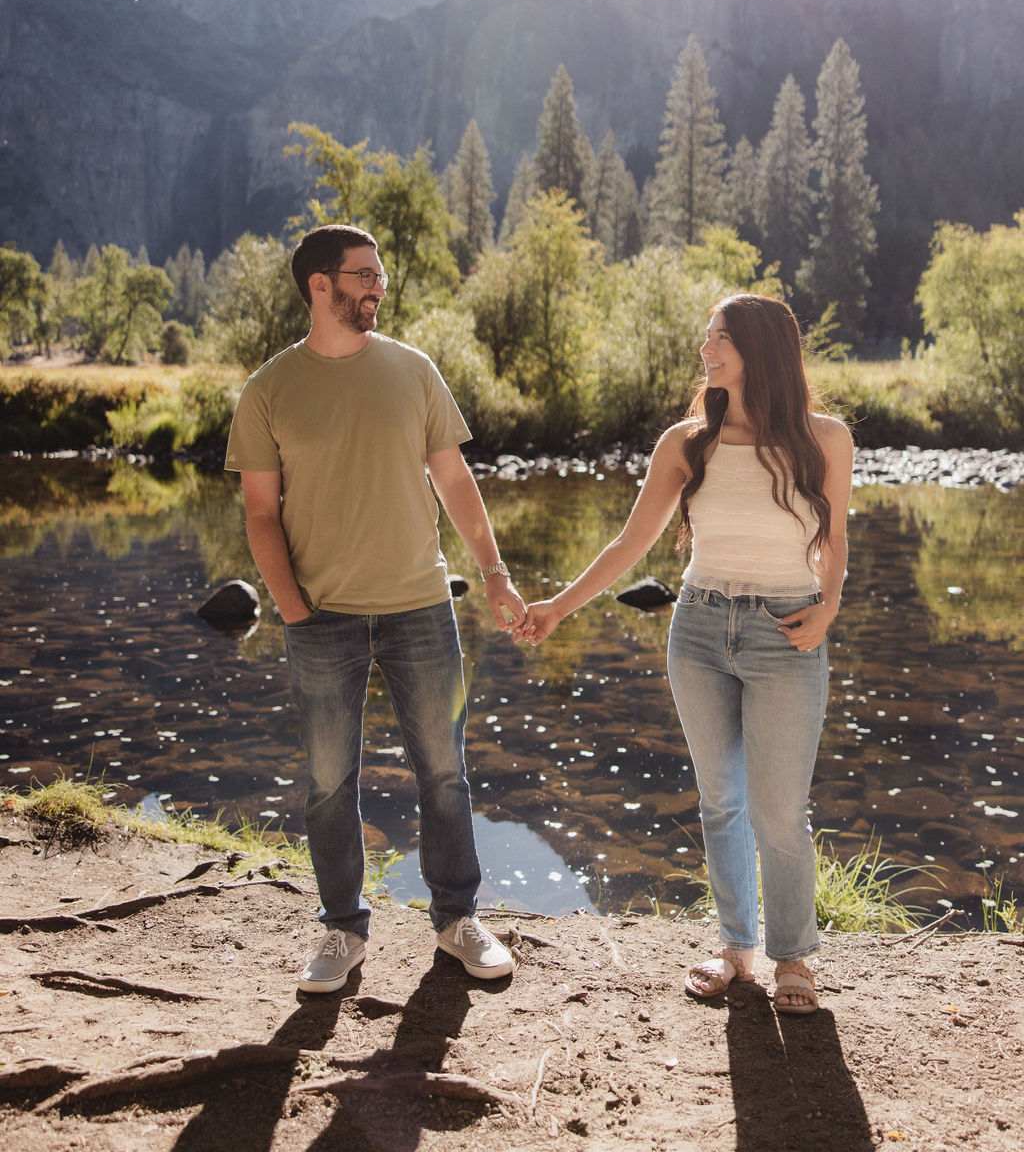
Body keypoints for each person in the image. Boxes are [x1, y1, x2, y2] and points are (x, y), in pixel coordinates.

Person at [518, 293, 853, 1015]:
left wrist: (827, 606)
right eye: (706, 335)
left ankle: (793, 954)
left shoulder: (824, 437)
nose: (707, 348)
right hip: (699, 630)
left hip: (786, 631)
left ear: (760, 347)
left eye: (721, 337)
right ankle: (739, 948)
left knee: (778, 809)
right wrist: (557, 606)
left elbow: (837, 538)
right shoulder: (686, 440)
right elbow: (629, 545)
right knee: (720, 800)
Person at [225, 223, 527, 992]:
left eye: (380, 275)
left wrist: (492, 571)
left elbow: (455, 482)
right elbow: (261, 513)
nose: (378, 287)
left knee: (444, 771)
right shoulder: (268, 390)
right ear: (319, 285)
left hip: (422, 607)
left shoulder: (414, 371)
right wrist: (292, 609)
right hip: (319, 616)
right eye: (363, 274)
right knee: (330, 780)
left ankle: (457, 917)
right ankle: (341, 928)